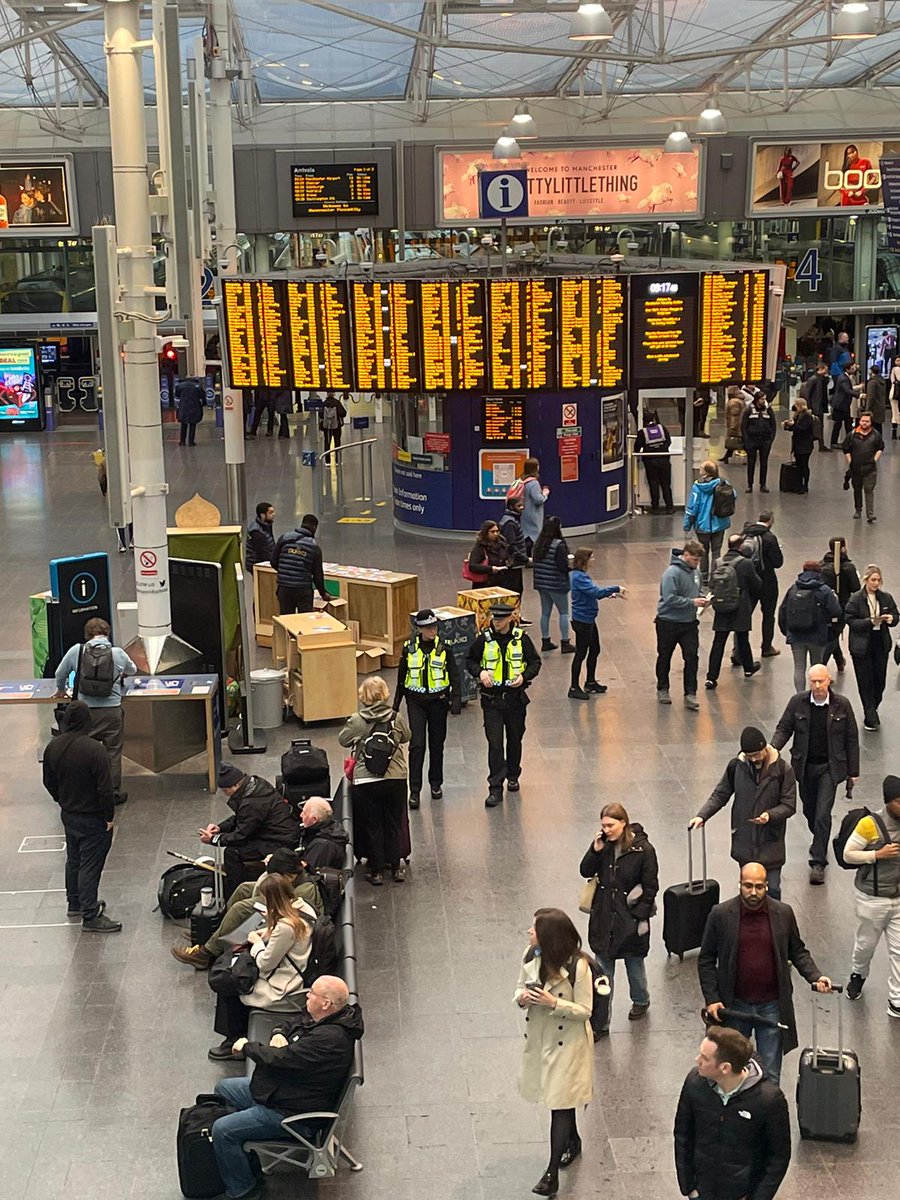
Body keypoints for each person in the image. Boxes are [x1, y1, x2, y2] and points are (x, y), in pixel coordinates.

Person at [212, 977, 363, 1200]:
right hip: (285, 1090)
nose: (307, 996)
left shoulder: (328, 1039)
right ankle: (243, 1150)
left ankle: (243, 1190)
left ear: (326, 1003)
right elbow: (295, 1020)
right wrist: (279, 1033)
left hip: (294, 1113)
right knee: (224, 1088)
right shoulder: (331, 1017)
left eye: (312, 994)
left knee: (222, 1130)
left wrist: (247, 1047)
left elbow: (280, 1058)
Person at [698, 862, 833, 1084]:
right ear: (739, 884)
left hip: (771, 1006)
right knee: (731, 1069)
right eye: (748, 886)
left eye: (759, 887)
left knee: (770, 1072)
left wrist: (816, 977)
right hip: (735, 1006)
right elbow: (706, 959)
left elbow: (797, 951)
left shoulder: (783, 913)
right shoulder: (721, 914)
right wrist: (712, 999)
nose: (753, 892)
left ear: (767, 886)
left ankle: (769, 1116)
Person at [515, 908, 593, 1198]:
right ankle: (573, 1141)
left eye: (534, 929)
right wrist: (523, 999)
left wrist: (552, 1002)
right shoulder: (530, 956)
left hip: (569, 1045)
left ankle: (551, 1173)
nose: (529, 932)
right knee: (562, 1100)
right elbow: (518, 989)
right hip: (541, 1038)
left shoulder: (579, 968)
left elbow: (586, 1011)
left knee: (559, 1104)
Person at [674, 1025, 791, 1200]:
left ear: (725, 1068)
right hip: (701, 1192)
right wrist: (689, 1187)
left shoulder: (768, 1100)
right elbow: (683, 1134)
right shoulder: (695, 1083)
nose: (697, 1059)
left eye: (704, 1058)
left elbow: (778, 1156)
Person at [208, 873, 313, 1061]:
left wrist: (257, 942)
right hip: (296, 972)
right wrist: (270, 929)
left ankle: (234, 1041)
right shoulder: (304, 909)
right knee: (236, 977)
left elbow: (265, 964)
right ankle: (234, 1038)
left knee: (231, 982)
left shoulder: (286, 926)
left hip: (284, 988)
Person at [771, 665, 860, 885]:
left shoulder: (842, 705)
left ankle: (818, 861)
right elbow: (784, 727)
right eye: (813, 682)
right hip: (805, 767)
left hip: (830, 768)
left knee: (822, 813)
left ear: (829, 681)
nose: (818, 686)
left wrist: (853, 771)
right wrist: (773, 749)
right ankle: (819, 837)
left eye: (821, 681)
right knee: (810, 811)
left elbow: (851, 738)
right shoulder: (798, 702)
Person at [42, 701, 121, 933]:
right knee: (90, 865)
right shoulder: (95, 750)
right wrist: (108, 816)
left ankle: (74, 902)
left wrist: (62, 800)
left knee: (74, 859)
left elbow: (48, 782)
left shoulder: (53, 747)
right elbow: (105, 789)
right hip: (93, 817)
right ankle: (90, 915)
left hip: (69, 814)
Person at [690, 727, 795, 900]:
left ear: (764, 748)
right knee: (748, 891)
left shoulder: (783, 770)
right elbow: (720, 794)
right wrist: (702, 815)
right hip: (745, 840)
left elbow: (789, 805)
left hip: (771, 842)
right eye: (749, 756)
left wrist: (770, 815)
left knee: (773, 890)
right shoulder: (736, 767)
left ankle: (774, 924)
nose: (754, 759)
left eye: (757, 754)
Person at [579, 803, 658, 1034]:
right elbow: (585, 870)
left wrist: (639, 915)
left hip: (630, 919)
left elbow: (651, 886)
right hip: (604, 917)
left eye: (611, 825)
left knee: (635, 965)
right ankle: (602, 1022)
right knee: (603, 975)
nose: (607, 830)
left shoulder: (644, 850)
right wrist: (595, 850)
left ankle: (641, 1000)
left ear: (623, 823)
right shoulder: (602, 846)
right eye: (603, 825)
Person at [172, 849, 320, 970]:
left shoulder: (305, 890)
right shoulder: (290, 876)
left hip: (285, 908)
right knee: (243, 889)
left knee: (240, 909)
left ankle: (206, 953)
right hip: (282, 898)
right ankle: (217, 933)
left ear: (287, 876)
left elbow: (290, 911)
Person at [54, 617, 137, 806]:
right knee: (113, 751)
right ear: (107, 633)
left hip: (84, 712)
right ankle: (113, 791)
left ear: (87, 634)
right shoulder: (118, 653)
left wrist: (60, 689)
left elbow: (60, 673)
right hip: (111, 710)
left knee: (81, 749)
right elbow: (132, 670)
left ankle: (84, 788)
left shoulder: (77, 650)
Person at [466, 602, 541, 807]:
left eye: (500, 619)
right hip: (492, 701)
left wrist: (524, 677)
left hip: (515, 700)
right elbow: (470, 660)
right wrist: (480, 673)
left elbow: (535, 662)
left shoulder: (521, 639)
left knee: (515, 739)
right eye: (494, 619)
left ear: (510, 618)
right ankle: (495, 787)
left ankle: (513, 774)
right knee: (495, 743)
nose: (496, 622)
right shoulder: (484, 640)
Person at [339, 676, 411, 885]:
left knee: (373, 825)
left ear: (364, 697)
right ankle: (396, 868)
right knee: (393, 822)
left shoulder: (357, 720)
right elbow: (407, 736)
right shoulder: (396, 718)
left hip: (366, 780)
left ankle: (377, 871)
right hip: (395, 777)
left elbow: (343, 739)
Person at [392, 608, 461, 810]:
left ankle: (435, 783)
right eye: (428, 627)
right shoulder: (409, 648)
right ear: (419, 628)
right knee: (417, 745)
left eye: (434, 626)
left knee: (437, 744)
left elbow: (454, 675)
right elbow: (402, 678)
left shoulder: (445, 648)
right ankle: (414, 789)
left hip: (439, 702)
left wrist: (455, 701)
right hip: (416, 702)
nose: (433, 630)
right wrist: (395, 705)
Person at [843, 775, 900, 1015]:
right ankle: (858, 973)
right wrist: (877, 855)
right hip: (871, 898)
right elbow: (848, 854)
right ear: (888, 802)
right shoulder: (869, 824)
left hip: (898, 898)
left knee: (899, 951)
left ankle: (896, 999)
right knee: (866, 945)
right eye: (898, 801)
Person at [198, 764, 299, 898]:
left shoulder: (252, 802)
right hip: (277, 833)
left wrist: (213, 839)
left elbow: (241, 834)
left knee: (232, 852)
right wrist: (221, 827)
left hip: (279, 841)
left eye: (225, 791)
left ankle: (234, 890)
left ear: (234, 786)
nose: (225, 794)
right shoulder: (256, 785)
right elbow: (243, 817)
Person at [844, 563, 899, 731]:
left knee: (880, 680)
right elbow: (850, 619)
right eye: (873, 580)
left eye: (878, 580)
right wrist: (869, 622)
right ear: (866, 580)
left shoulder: (886, 598)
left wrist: (891, 619)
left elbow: (896, 615)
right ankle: (869, 713)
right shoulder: (855, 599)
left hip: (879, 642)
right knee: (865, 680)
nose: (876, 583)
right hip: (861, 645)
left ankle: (873, 706)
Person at [656, 541, 709, 711]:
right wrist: (692, 602)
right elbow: (669, 598)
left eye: (698, 560)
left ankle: (690, 693)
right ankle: (663, 688)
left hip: (689, 623)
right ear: (685, 555)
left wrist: (702, 600)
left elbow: (697, 590)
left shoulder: (696, 572)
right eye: (694, 560)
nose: (696, 563)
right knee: (665, 656)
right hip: (668, 622)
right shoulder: (671, 573)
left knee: (692, 657)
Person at [568, 547, 625, 700]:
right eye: (591, 558)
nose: (593, 560)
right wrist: (616, 588)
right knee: (581, 653)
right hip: (583, 620)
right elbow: (596, 593)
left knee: (595, 649)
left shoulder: (578, 575)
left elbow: (589, 593)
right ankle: (574, 687)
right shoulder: (580, 577)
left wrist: (611, 595)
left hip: (587, 618)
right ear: (584, 560)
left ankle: (590, 682)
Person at [777, 560, 842, 693]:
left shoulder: (793, 588)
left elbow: (783, 611)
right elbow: (836, 611)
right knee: (816, 666)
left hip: (796, 636)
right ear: (819, 572)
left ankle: (800, 696)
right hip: (817, 636)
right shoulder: (824, 590)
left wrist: (787, 632)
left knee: (799, 667)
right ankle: (815, 693)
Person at [706, 535, 762, 688]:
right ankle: (748, 667)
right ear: (741, 546)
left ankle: (711, 676)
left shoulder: (718, 562)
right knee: (742, 637)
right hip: (740, 607)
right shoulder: (746, 563)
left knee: (718, 641)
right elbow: (757, 584)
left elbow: (712, 584)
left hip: (722, 607)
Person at [740, 511, 783, 658]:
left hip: (749, 580)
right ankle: (766, 647)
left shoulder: (746, 534)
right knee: (768, 615)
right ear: (771, 520)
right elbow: (778, 562)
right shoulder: (769, 537)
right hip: (767, 581)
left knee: (744, 615)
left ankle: (739, 650)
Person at [684, 460, 733, 588]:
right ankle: (716, 576)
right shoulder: (724, 483)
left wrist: (687, 524)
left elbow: (692, 507)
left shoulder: (697, 487)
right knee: (716, 551)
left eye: (701, 467)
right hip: (719, 523)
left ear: (706, 472)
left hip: (702, 525)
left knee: (703, 552)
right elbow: (734, 496)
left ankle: (704, 578)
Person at [272, 513, 330, 615]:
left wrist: (286, 573)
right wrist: (323, 593)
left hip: (284, 587)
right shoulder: (314, 546)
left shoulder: (284, 538)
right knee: (304, 622)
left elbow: (273, 561)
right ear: (314, 527)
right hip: (303, 589)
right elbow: (317, 574)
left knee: (286, 620)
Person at [532, 516, 573, 653]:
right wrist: (571, 566)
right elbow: (562, 567)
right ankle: (565, 642)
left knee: (545, 613)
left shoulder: (538, 544)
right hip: (556, 584)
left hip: (542, 583)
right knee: (564, 613)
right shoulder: (559, 545)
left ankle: (545, 641)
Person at [820, 536, 860, 672]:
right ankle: (821, 667)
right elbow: (855, 587)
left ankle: (839, 660)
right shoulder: (848, 567)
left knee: (833, 632)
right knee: (833, 635)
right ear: (843, 548)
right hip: (842, 605)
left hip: (824, 606)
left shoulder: (822, 566)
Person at [843, 410, 884, 523]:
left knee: (869, 489)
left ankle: (870, 514)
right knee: (857, 489)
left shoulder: (875, 435)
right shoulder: (852, 435)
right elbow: (846, 449)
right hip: (856, 468)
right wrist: (851, 461)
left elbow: (880, 448)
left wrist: (874, 459)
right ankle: (858, 509)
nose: (864, 423)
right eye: (862, 421)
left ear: (871, 422)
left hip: (870, 468)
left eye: (867, 421)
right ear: (859, 421)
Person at [634, 411, 674, 513]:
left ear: (644, 421)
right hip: (664, 460)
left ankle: (655, 508)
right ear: (654, 419)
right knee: (666, 484)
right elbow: (668, 442)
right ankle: (670, 507)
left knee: (654, 484)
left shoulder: (642, 432)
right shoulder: (662, 428)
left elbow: (637, 446)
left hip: (650, 462)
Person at [297, 797, 350, 870]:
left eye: (304, 813)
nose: (301, 815)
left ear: (314, 819)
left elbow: (308, 875)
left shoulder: (322, 846)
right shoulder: (330, 830)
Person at [741, 394, 776, 493]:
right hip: (752, 440)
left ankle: (763, 484)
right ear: (757, 400)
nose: (764, 401)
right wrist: (746, 440)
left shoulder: (768, 410)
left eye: (764, 399)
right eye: (762, 399)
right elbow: (743, 426)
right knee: (751, 463)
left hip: (765, 441)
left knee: (764, 463)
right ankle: (750, 484)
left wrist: (770, 440)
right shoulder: (748, 410)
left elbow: (773, 425)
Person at [467, 520, 515, 593]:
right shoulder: (479, 547)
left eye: (497, 531)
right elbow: (472, 566)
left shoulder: (502, 544)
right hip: (485, 585)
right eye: (492, 532)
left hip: (502, 583)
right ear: (486, 533)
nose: (495, 534)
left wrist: (509, 562)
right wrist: (491, 569)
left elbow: (509, 556)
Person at [498, 494, 529, 598]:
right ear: (511, 507)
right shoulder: (510, 523)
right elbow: (511, 545)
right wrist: (525, 559)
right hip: (513, 563)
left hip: (515, 562)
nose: (522, 508)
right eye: (519, 506)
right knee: (515, 591)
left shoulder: (509, 520)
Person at [782, 397, 815, 492]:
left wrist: (793, 425)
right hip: (798, 444)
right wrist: (787, 426)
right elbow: (796, 428)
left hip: (805, 444)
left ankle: (805, 485)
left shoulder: (807, 416)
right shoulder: (798, 415)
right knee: (799, 465)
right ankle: (799, 484)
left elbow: (802, 429)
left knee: (804, 465)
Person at [519, 457, 549, 554]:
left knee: (526, 534)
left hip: (524, 512)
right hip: (533, 513)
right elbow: (538, 499)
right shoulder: (534, 483)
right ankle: (528, 556)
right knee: (532, 535)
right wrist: (545, 494)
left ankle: (525, 555)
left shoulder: (523, 480)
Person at [804, 362, 832, 451]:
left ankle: (821, 444)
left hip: (819, 406)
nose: (826, 372)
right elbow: (807, 394)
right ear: (820, 369)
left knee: (819, 426)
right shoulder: (813, 379)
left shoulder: (820, 379)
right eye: (825, 370)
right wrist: (809, 407)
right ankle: (819, 444)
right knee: (816, 426)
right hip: (815, 406)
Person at [245, 501, 276, 573]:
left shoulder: (266, 525)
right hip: (258, 564)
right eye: (270, 512)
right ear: (262, 515)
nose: (274, 514)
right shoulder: (256, 532)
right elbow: (263, 553)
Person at [829, 364, 855, 446]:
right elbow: (847, 390)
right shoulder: (844, 379)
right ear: (847, 369)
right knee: (838, 424)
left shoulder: (844, 377)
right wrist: (859, 395)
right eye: (852, 368)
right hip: (840, 405)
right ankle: (834, 442)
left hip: (843, 405)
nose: (854, 369)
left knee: (847, 423)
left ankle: (849, 441)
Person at [174, 375, 204, 446]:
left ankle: (182, 441)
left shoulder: (179, 386)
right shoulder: (197, 386)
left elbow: (176, 395)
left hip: (183, 406)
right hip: (194, 406)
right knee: (192, 424)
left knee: (183, 424)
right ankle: (191, 441)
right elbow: (202, 395)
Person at [719, 388, 745, 465]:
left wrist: (733, 427)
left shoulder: (734, 402)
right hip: (739, 425)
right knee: (735, 441)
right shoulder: (740, 401)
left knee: (735, 441)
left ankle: (727, 457)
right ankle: (726, 457)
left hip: (735, 426)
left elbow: (734, 416)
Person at [861, 363, 887, 437]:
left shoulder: (872, 382)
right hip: (881, 406)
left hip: (874, 408)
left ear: (871, 372)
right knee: (879, 428)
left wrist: (867, 410)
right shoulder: (882, 381)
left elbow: (871, 397)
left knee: (873, 428)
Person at [889, 354, 900, 440]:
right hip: (896, 393)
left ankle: (893, 433)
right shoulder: (896, 369)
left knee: (894, 413)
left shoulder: (893, 369)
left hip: (893, 394)